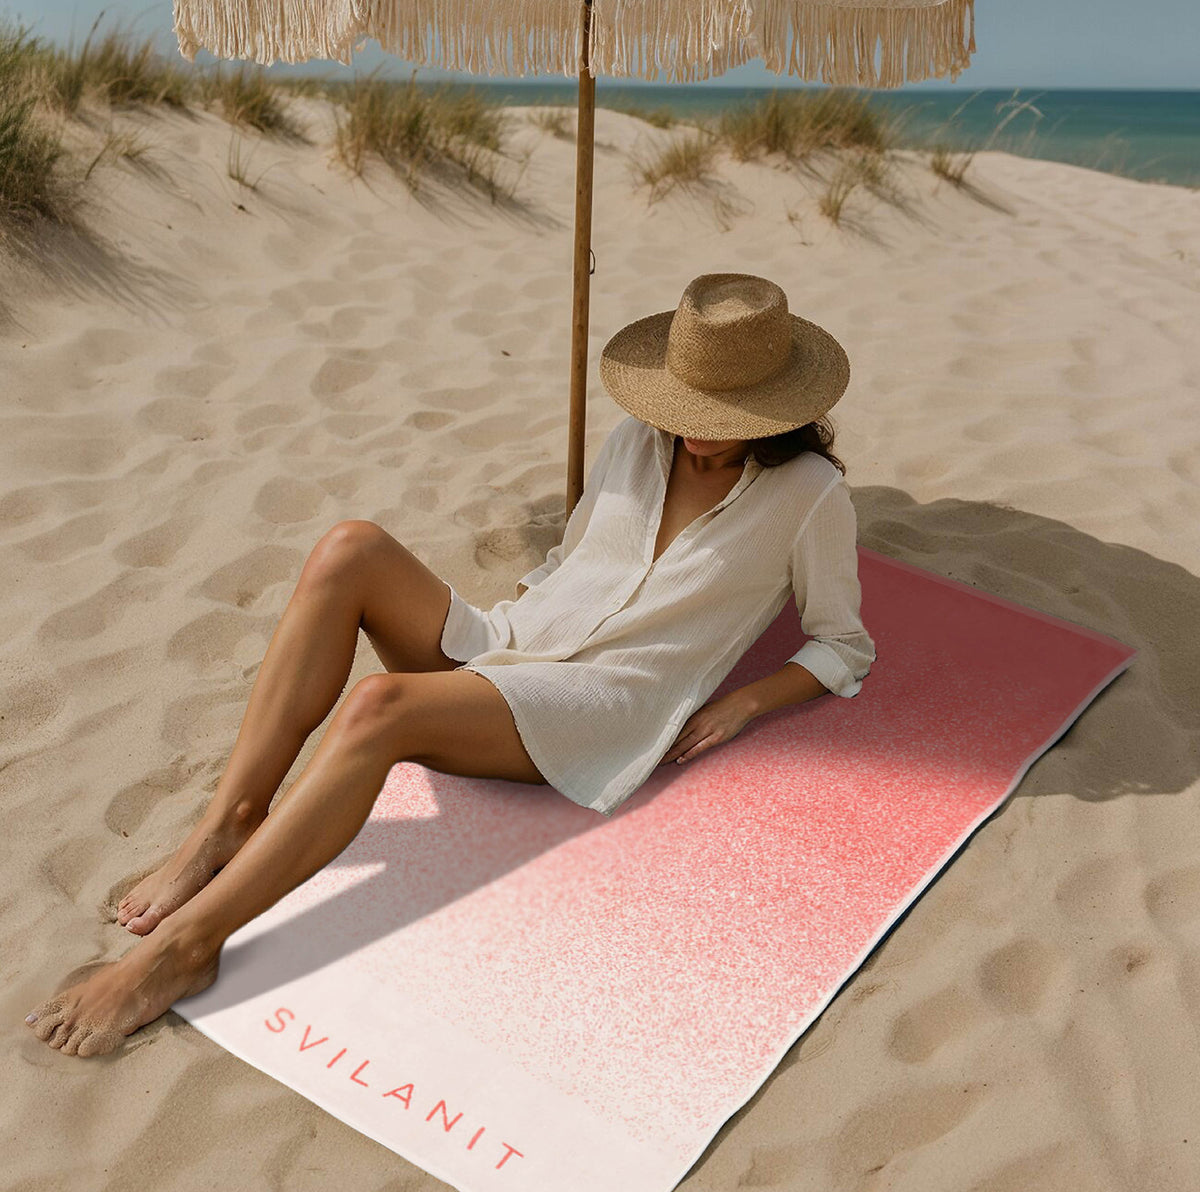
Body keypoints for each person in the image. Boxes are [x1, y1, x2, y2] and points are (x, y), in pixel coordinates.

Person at [24, 272, 875, 1057]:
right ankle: (230, 823)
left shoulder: (808, 496)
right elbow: (577, 556)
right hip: (515, 641)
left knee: (379, 706)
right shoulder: (634, 442)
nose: (690, 430)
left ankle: (186, 947)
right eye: (683, 403)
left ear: (773, 410)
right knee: (350, 548)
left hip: (597, 703)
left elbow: (843, 643)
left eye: (717, 416)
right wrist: (515, 616)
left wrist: (747, 702)